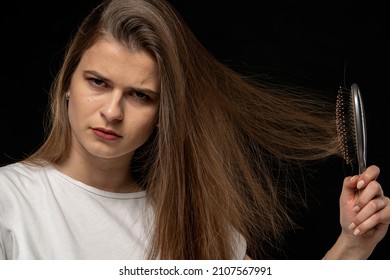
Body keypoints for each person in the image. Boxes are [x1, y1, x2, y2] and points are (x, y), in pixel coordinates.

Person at [0, 0, 389, 260]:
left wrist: (352, 246)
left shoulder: (197, 224)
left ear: (162, 112)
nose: (112, 111)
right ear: (68, 83)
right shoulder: (10, 202)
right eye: (98, 82)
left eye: (139, 95)